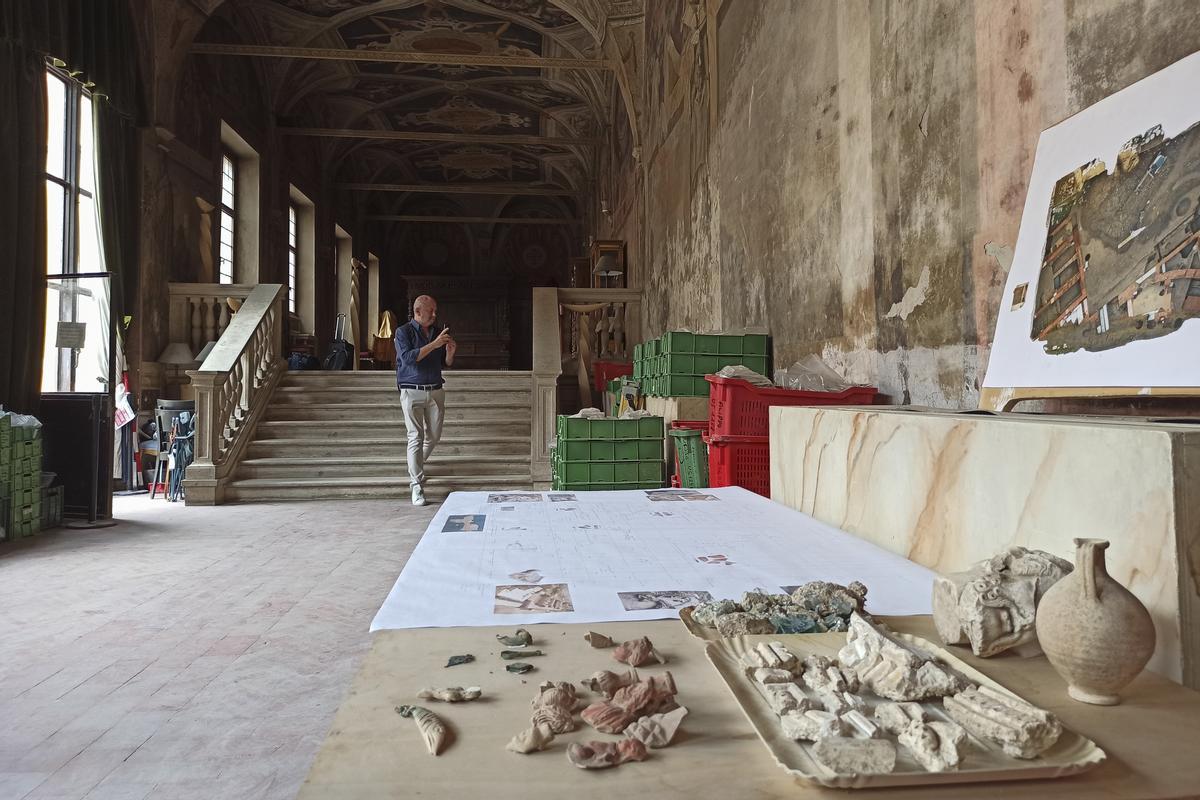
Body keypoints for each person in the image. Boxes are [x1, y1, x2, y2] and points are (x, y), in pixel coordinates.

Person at [394, 295, 456, 506]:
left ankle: (416, 465)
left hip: (436, 390)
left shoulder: (437, 332)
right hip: (412, 390)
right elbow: (409, 358)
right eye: (432, 311)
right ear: (418, 312)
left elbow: (443, 363)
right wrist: (435, 343)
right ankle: (416, 485)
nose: (435, 315)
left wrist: (449, 353)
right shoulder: (403, 332)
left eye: (436, 311)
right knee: (415, 437)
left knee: (434, 436)